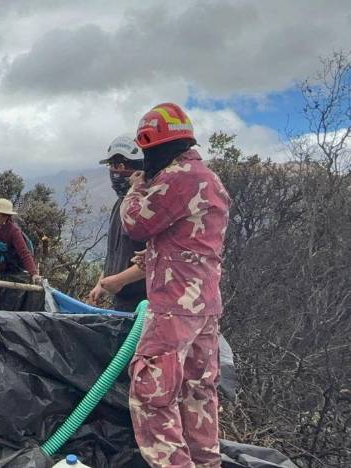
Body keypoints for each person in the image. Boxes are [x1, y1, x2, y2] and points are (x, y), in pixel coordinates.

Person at [122, 103, 230, 467]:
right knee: (197, 394)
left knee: (150, 394)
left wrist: (134, 190)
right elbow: (186, 242)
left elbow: (136, 223)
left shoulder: (178, 178)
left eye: (147, 152)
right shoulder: (210, 179)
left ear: (157, 147)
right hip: (205, 306)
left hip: (175, 307)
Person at [87, 135, 147, 312]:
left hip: (142, 305)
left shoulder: (146, 206)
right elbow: (114, 253)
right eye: (111, 166)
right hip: (121, 302)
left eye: (116, 166)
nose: (113, 171)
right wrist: (101, 284)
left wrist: (120, 280)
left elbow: (156, 257)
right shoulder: (120, 204)